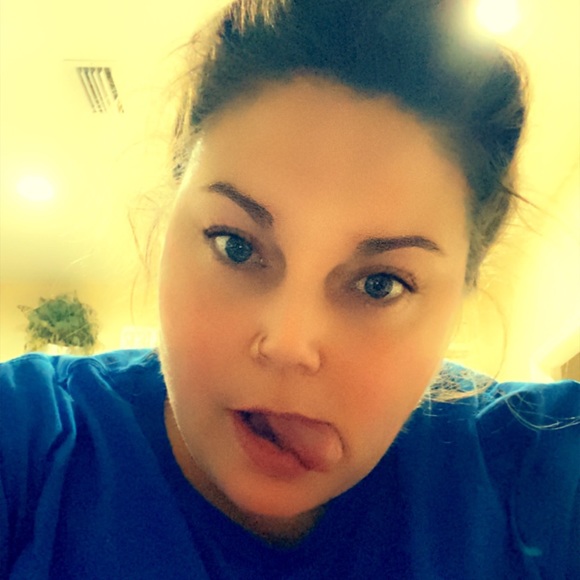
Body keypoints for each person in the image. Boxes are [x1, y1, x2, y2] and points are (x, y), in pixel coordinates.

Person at [1, 0, 578, 578]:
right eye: (236, 245)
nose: (287, 344)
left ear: (459, 300)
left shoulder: (534, 473)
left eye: (380, 284)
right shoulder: (33, 441)